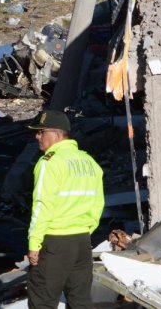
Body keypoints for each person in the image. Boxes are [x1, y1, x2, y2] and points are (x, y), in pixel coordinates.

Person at [26, 110, 105, 309]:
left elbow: (42, 205)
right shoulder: (89, 162)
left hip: (54, 242)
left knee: (42, 301)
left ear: (56, 134)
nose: (37, 136)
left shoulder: (49, 163)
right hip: (81, 242)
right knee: (80, 301)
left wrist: (34, 242)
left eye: (41, 132)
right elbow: (98, 204)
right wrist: (86, 230)